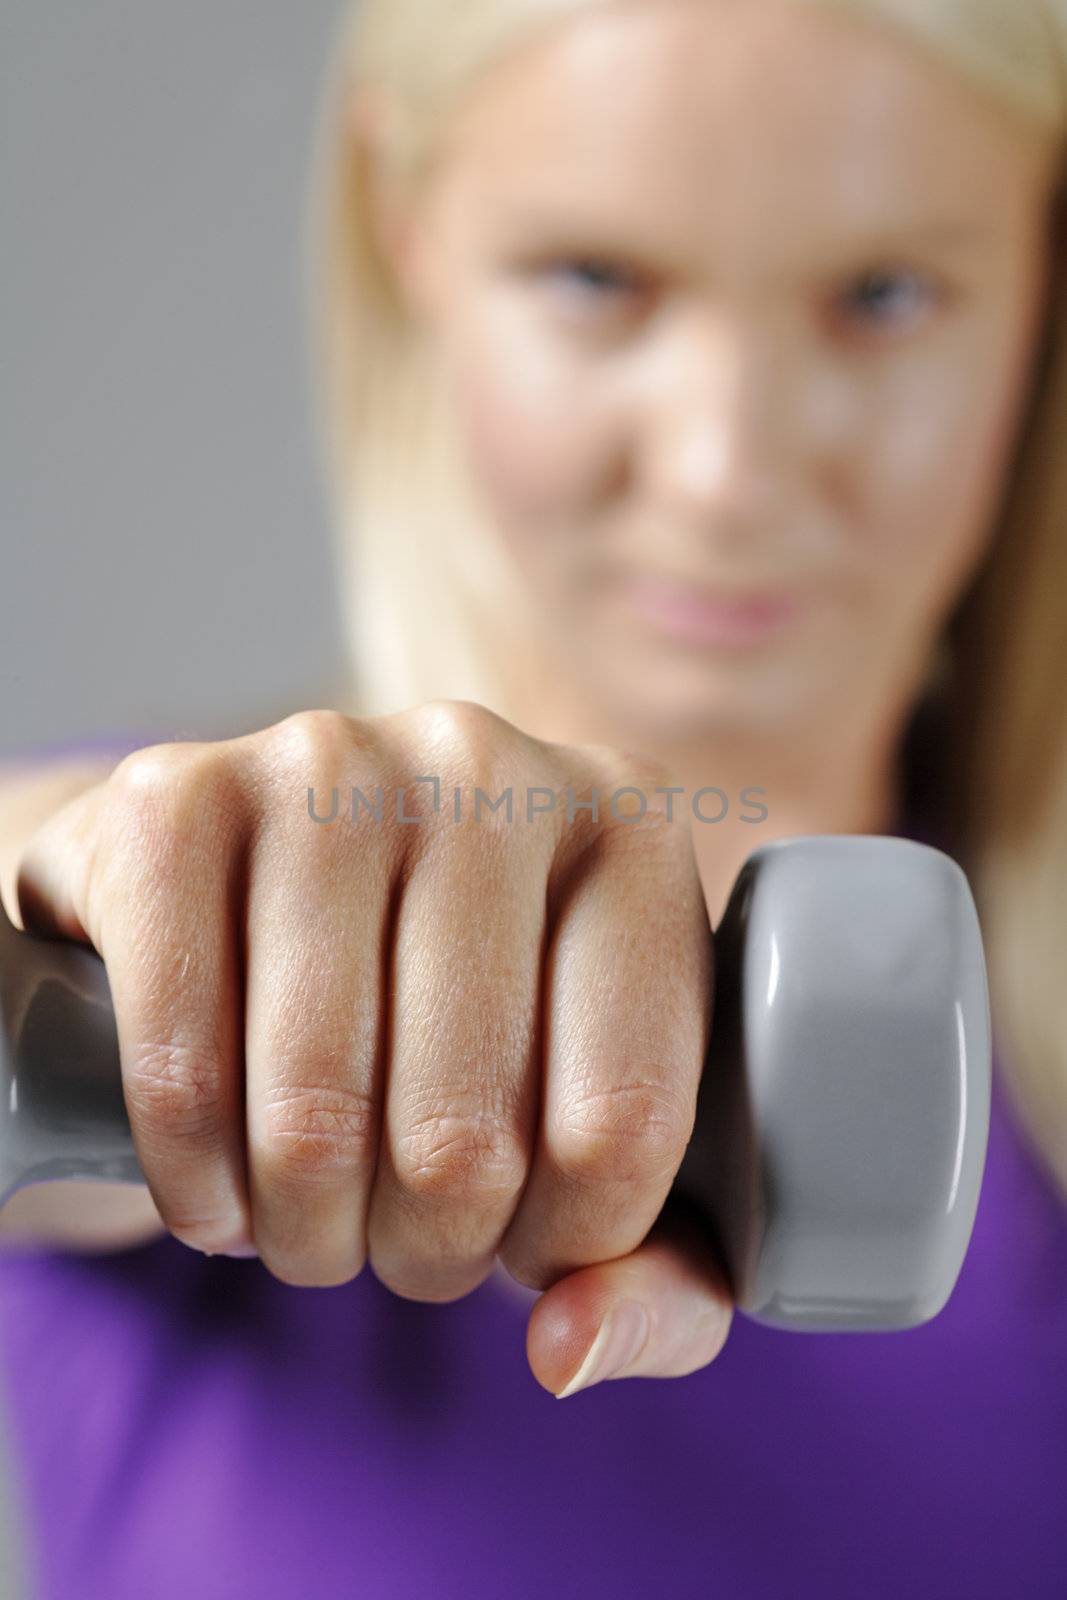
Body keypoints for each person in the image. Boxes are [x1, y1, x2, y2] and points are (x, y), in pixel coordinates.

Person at [1, 0, 1065, 1595]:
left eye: (883, 296)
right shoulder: (173, 934)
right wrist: (87, 875)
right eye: (596, 279)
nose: (725, 469)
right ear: (406, 230)